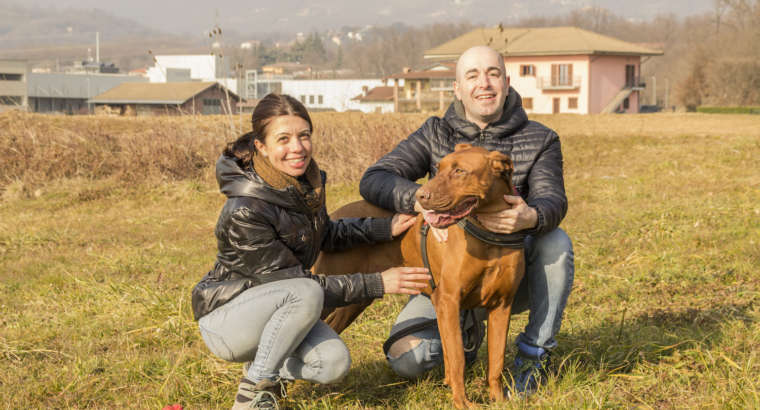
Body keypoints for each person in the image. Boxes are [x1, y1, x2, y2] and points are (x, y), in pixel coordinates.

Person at [191, 93, 430, 410]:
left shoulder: (302, 185)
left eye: (304, 136)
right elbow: (294, 285)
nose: (297, 147)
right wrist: (379, 283)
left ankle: (264, 365)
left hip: (280, 308)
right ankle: (254, 395)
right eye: (284, 139)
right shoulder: (245, 209)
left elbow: (325, 235)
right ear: (261, 146)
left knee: (332, 363)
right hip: (229, 319)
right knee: (304, 290)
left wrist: (384, 228)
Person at [359, 45, 574, 395]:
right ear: (457, 88)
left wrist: (531, 216)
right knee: (408, 358)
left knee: (556, 241)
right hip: (449, 273)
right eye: (472, 76)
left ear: (506, 82)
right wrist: (419, 202)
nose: (483, 84)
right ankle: (466, 337)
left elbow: (553, 199)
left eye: (492, 74)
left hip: (510, 271)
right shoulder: (435, 133)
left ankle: (534, 355)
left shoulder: (540, 138)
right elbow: (375, 177)